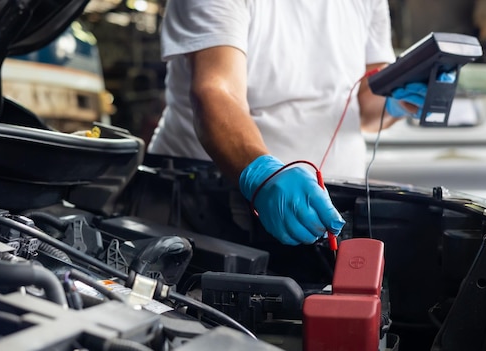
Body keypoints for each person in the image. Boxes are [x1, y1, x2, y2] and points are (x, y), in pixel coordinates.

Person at [147, 1, 427, 246]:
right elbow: (217, 92)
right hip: (204, 202)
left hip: (331, 206)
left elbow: (365, 108)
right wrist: (261, 172)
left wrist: (398, 101)